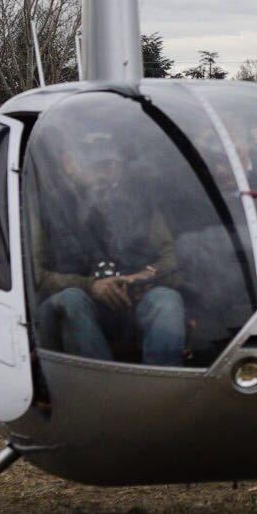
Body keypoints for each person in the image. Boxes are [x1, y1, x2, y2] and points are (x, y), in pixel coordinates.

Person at [33, 139, 188, 366]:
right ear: (73, 167)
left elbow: (171, 257)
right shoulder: (50, 209)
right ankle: (98, 391)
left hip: (133, 298)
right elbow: (34, 274)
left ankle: (163, 388)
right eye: (95, 165)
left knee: (166, 301)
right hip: (75, 301)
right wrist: (89, 285)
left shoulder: (142, 204)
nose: (104, 172)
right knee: (71, 301)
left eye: (109, 164)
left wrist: (144, 276)